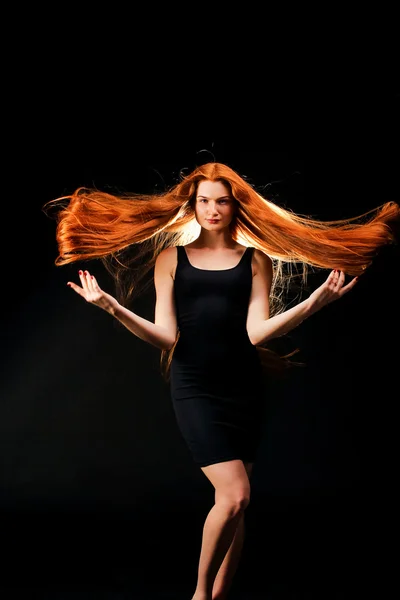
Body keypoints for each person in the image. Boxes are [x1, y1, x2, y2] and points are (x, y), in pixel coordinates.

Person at [44, 161, 399, 600]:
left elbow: (256, 334)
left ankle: (219, 597)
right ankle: (198, 595)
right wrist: (111, 307)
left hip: (243, 386)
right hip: (195, 385)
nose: (212, 210)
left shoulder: (257, 260)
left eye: (222, 201)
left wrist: (315, 303)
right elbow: (166, 336)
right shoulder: (171, 259)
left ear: (236, 206)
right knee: (235, 496)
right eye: (204, 201)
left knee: (237, 505)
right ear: (192, 205)